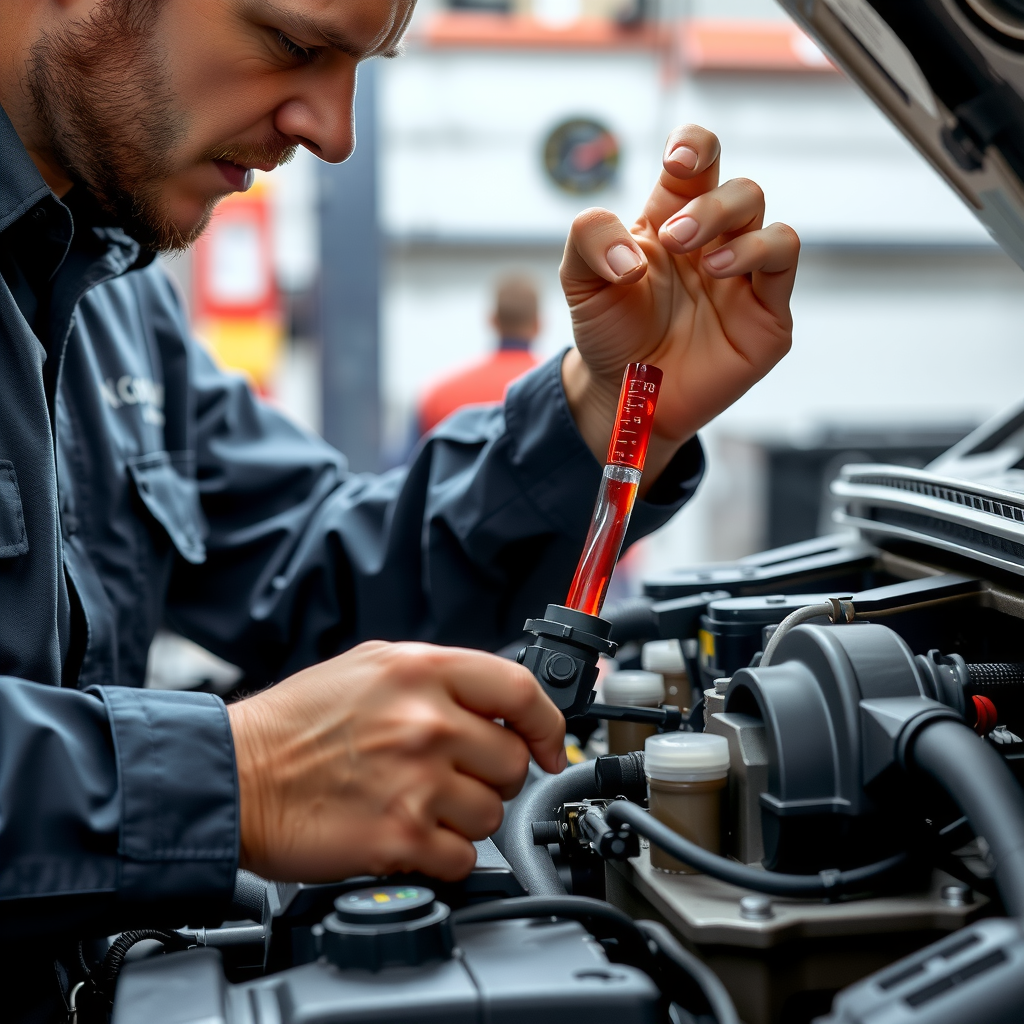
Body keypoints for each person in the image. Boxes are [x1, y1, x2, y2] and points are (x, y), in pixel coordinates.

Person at [0, 0, 799, 1015]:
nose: (334, 135)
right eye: (294, 43)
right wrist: (234, 777)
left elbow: (321, 571)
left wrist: (606, 414)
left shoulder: (109, 291)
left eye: (363, 67)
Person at [418, 274, 541, 435]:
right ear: (538, 324)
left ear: (492, 321)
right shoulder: (560, 391)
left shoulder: (438, 395)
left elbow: (412, 458)